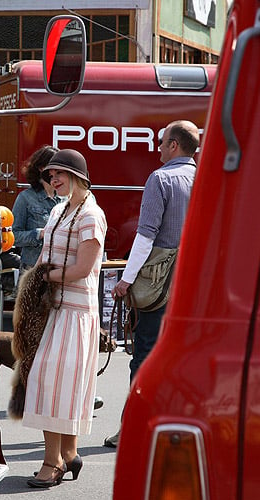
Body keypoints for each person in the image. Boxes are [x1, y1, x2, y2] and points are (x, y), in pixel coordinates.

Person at [103, 120, 200, 448]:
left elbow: (145, 235)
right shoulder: (203, 178)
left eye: (162, 142)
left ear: (174, 145)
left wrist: (126, 280)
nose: (158, 148)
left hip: (159, 283)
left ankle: (134, 427)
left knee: (143, 355)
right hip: (194, 283)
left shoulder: (161, 179)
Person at [22, 149, 107, 488]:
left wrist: (45, 278)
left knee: (53, 382)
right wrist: (42, 280)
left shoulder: (91, 215)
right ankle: (70, 455)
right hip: (55, 308)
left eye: (59, 174)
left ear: (77, 176)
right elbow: (47, 256)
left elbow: (84, 269)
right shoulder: (59, 210)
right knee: (57, 382)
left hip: (76, 311)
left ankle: (52, 462)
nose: (53, 179)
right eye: (50, 175)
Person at [11, 145, 61, 272]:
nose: (58, 174)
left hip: (60, 268)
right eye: (54, 168)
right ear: (41, 168)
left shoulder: (66, 199)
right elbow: (13, 236)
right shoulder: (25, 198)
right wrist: (40, 234)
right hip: (32, 268)